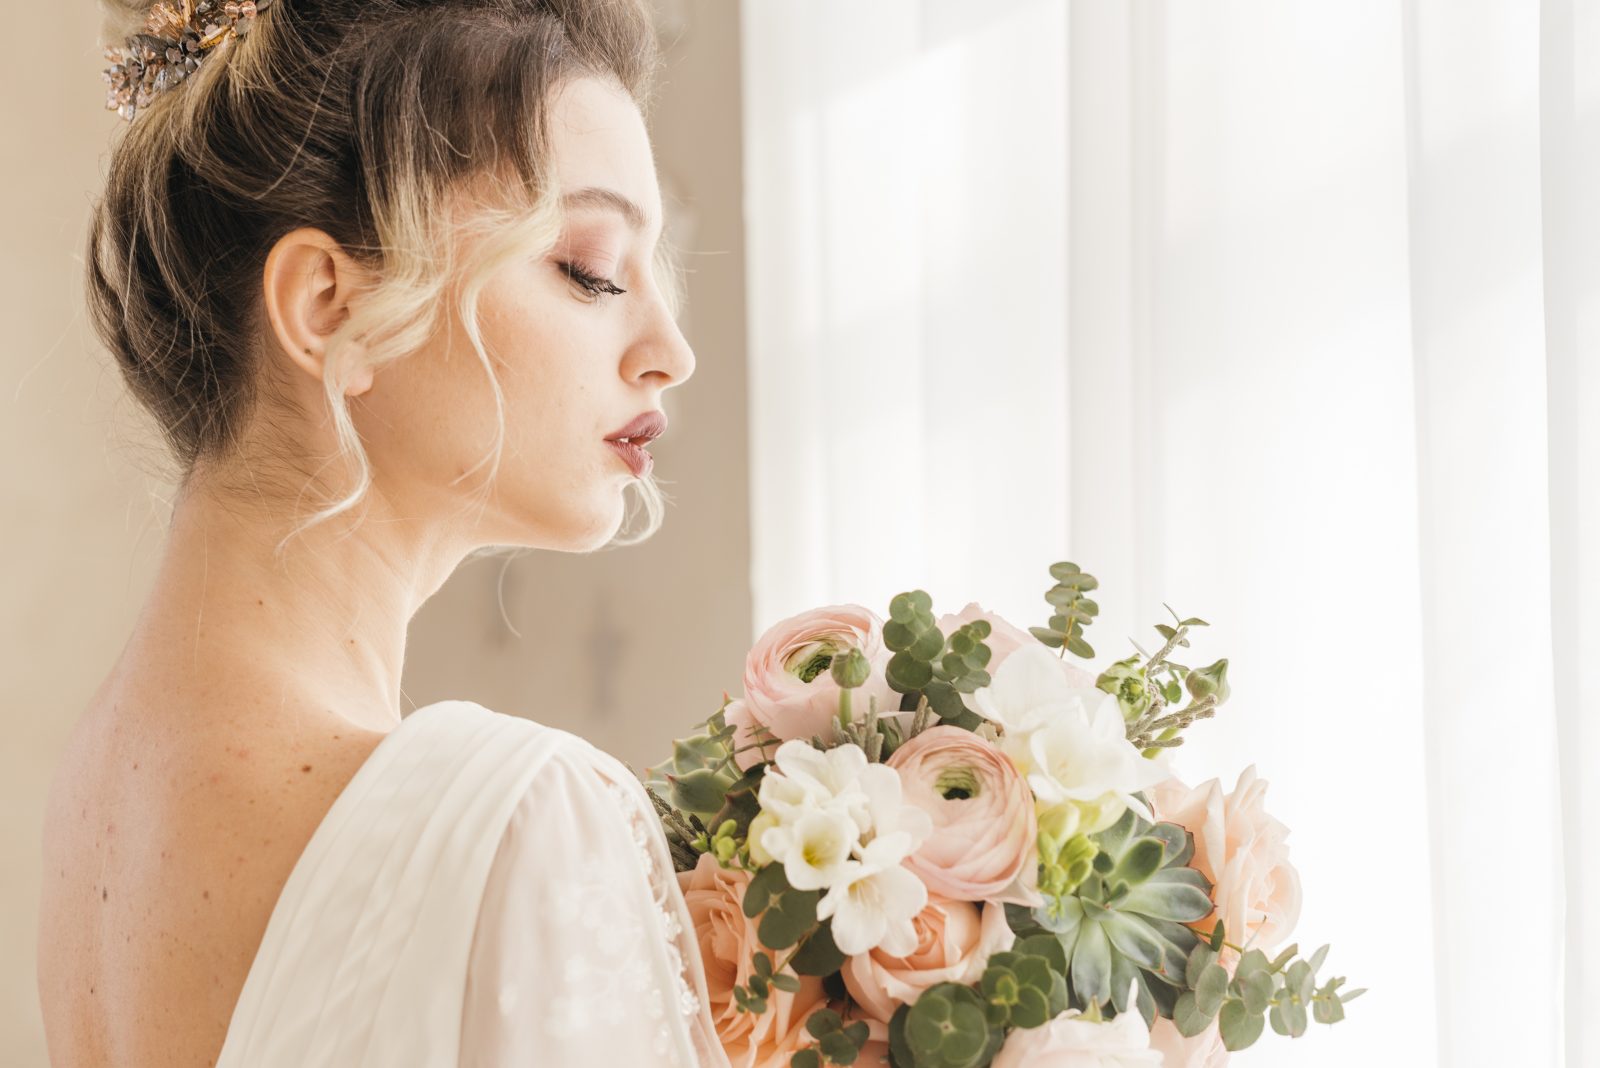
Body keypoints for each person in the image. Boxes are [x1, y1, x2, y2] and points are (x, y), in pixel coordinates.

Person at [36, 0, 727, 1064]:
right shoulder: (518, 819)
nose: (668, 350)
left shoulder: (94, 807)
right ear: (328, 305)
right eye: (592, 269)